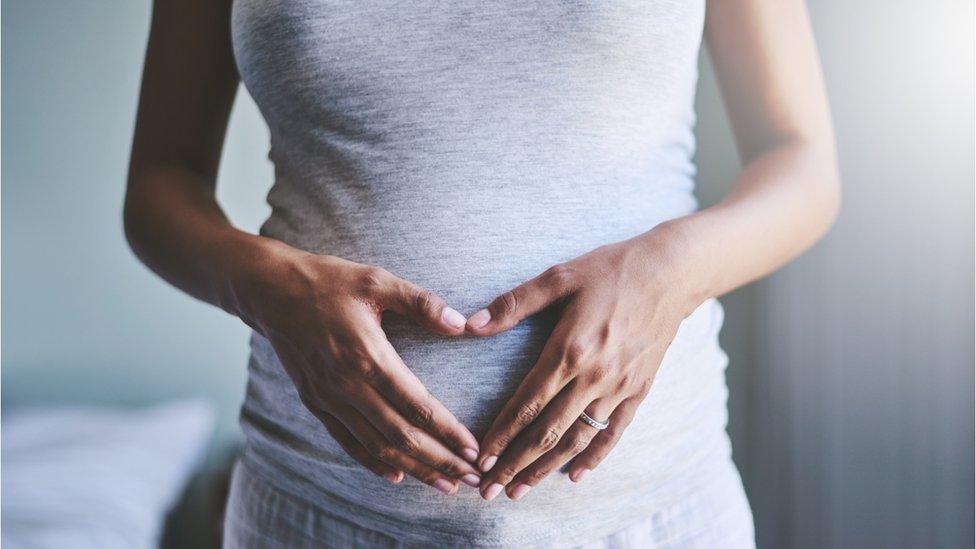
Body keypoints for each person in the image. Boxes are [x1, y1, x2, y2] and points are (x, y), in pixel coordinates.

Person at [125, 0, 839, 547]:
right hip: (319, 511)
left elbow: (801, 160)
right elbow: (160, 180)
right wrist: (266, 285)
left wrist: (669, 272)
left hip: (646, 514)